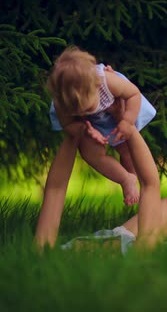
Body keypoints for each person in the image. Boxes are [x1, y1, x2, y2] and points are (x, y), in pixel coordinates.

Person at [35, 114, 167, 250]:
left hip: (114, 237)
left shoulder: (46, 256)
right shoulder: (139, 253)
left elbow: (55, 189)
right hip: (131, 244)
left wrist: (74, 132)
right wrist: (128, 125)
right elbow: (149, 183)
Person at [46, 46, 156, 206]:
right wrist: (85, 129)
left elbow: (133, 94)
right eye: (76, 110)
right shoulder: (62, 103)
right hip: (89, 125)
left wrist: (127, 121)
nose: (82, 111)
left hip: (118, 110)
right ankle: (126, 178)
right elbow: (68, 125)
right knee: (90, 154)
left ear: (96, 86)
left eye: (87, 108)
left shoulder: (107, 81)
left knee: (127, 148)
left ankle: (136, 179)